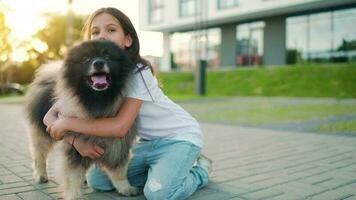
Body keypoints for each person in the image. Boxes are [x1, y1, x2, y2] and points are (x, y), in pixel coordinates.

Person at [44, 7, 212, 200]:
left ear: (128, 39)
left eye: (111, 30)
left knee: (159, 195)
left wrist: (67, 124)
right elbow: (51, 117)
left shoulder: (137, 73)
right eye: (95, 32)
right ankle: (163, 171)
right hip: (147, 143)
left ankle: (200, 170)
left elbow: (119, 128)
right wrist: (76, 141)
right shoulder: (93, 76)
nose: (102, 36)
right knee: (98, 182)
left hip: (179, 137)